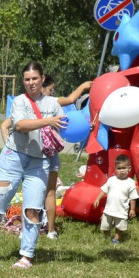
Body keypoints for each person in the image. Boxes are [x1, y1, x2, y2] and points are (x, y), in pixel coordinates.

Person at [0, 61, 64, 269]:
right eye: (27, 79)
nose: (31, 83)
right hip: (12, 159)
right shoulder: (20, 101)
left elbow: (63, 127)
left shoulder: (53, 105)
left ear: (42, 79)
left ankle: (27, 255)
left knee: (32, 209)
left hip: (39, 163)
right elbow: (20, 125)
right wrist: (48, 122)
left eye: (34, 79)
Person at [42, 77, 92, 239]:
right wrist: (83, 85)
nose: (52, 93)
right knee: (47, 192)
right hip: (45, 153)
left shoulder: (32, 102)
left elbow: (6, 125)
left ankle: (43, 227)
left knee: (43, 191)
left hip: (42, 153)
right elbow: (70, 99)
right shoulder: (48, 102)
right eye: (51, 89)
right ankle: (49, 229)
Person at [93, 155, 138, 244]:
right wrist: (97, 199)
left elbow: (132, 198)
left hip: (121, 210)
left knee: (120, 227)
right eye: (119, 168)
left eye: (124, 168)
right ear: (115, 169)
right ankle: (107, 236)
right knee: (105, 226)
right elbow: (104, 190)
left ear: (129, 168)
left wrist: (132, 209)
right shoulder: (111, 180)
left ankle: (116, 239)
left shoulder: (131, 183)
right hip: (109, 210)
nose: (121, 171)